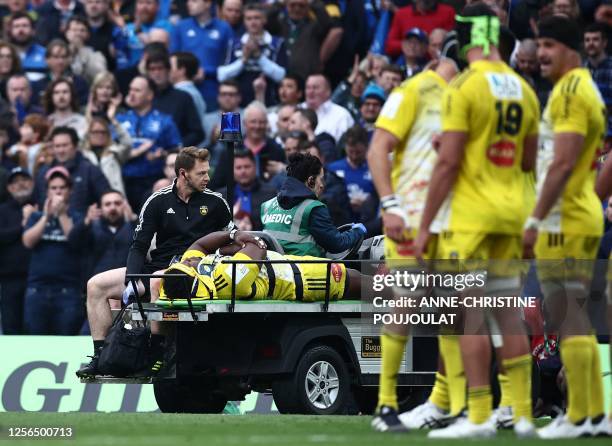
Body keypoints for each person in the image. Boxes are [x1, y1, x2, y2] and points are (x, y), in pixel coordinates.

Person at [414, 3, 540, 438]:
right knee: (506, 312)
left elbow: (448, 164)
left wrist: (427, 224)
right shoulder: (523, 88)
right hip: (512, 209)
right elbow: (527, 157)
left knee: (469, 313)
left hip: (472, 213)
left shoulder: (465, 85)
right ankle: (522, 413)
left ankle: (481, 415)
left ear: (466, 37)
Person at [76, 147, 239, 378]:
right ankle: (101, 356)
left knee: (158, 283)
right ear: (183, 174)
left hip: (193, 272)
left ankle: (157, 355)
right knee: (95, 285)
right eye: (201, 173)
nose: (207, 178)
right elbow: (139, 245)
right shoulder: (157, 201)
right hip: (157, 268)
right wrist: (132, 279)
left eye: (207, 172)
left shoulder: (216, 203)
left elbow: (233, 238)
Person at [523, 15, 607, 439]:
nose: (542, 53)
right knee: (572, 317)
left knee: (564, 314)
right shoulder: (572, 88)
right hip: (573, 214)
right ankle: (592, 413)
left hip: (565, 218)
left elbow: (563, 161)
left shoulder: (573, 90)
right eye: (540, 44)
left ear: (572, 49)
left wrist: (535, 218)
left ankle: (581, 414)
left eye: (550, 44)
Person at [368, 57, 459, 432]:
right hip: (409, 217)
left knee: (453, 312)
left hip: (452, 220)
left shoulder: (464, 96)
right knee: (406, 302)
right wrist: (389, 205)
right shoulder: (412, 90)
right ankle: (385, 403)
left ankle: (449, 403)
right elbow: (377, 149)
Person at [156, 230, 364, 303]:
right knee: (364, 283)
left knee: (358, 274)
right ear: (193, 275)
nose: (187, 260)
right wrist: (233, 244)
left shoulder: (197, 274)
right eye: (187, 265)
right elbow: (258, 245)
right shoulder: (227, 279)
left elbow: (199, 244)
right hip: (303, 279)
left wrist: (231, 236)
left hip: (289, 265)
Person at [261, 152, 365, 257]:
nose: (322, 185)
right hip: (304, 269)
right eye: (321, 179)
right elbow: (337, 244)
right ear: (311, 181)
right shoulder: (313, 208)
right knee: (357, 273)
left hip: (273, 269)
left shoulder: (267, 206)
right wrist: (357, 231)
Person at [22, 166, 85, 335]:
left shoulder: (77, 216)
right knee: (35, 340)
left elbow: (75, 242)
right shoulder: (36, 217)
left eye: (62, 188)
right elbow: (28, 242)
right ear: (47, 191)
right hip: (37, 289)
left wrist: (62, 214)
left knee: (66, 339)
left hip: (68, 290)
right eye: (53, 188)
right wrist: (46, 216)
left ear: (70, 191)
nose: (58, 192)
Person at [117, 75, 181, 211]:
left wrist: (162, 154)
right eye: (130, 90)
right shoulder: (119, 120)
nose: (131, 94)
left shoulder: (165, 121)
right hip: (124, 179)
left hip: (154, 179)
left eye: (137, 90)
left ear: (150, 95)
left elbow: (177, 149)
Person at [218, 3, 287, 106]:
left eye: (257, 18)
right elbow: (221, 76)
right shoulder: (234, 43)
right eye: (249, 19)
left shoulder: (277, 43)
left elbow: (281, 76)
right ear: (244, 21)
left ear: (264, 20)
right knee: (228, 121)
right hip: (234, 107)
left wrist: (259, 57)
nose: (253, 22)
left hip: (269, 106)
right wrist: (243, 60)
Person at [170, 0, 233, 110]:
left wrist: (207, 72)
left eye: (194, 1)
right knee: (189, 125)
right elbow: (173, 59)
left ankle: (230, 127)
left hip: (219, 90)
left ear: (208, 3)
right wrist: (190, 73)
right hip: (185, 89)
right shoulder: (180, 27)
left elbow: (231, 61)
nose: (188, 3)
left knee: (229, 124)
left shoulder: (224, 28)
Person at [209, 101, 284, 190]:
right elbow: (216, 184)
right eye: (253, 122)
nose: (257, 126)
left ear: (267, 124)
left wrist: (282, 170)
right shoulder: (231, 150)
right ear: (244, 123)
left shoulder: (276, 149)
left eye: (262, 122)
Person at [34, 126, 110, 214]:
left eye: (65, 145)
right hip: (49, 225)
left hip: (84, 224)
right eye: (57, 146)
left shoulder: (90, 170)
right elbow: (37, 202)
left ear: (75, 146)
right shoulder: (43, 173)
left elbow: (106, 198)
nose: (61, 150)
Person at [68, 189, 137, 279]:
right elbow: (73, 242)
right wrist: (86, 221)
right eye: (107, 204)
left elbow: (150, 240)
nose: (113, 208)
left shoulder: (133, 227)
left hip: (128, 285)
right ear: (100, 208)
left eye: (117, 203)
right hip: (97, 285)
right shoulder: (91, 228)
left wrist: (134, 218)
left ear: (125, 206)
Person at [266, 0, 339, 81]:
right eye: (292, 5)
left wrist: (312, 2)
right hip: (281, 77)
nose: (297, 9)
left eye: (301, 6)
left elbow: (327, 23)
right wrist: (280, 3)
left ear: (308, 7)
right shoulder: (279, 25)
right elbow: (267, 19)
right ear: (286, 6)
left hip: (306, 77)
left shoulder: (314, 27)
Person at [0, 167, 34, 334]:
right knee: (11, 326)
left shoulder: (43, 206)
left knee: (36, 328)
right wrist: (23, 224)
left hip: (37, 281)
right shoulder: (3, 210)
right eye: (15, 181)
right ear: (9, 188)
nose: (20, 184)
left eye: (24, 179)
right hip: (9, 279)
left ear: (32, 183)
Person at [146, 51, 204, 147]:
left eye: (160, 68)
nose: (156, 73)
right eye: (152, 69)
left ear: (168, 70)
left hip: (173, 156)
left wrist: (177, 147)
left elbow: (197, 133)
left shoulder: (183, 97)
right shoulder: (143, 97)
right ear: (148, 72)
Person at [216, 150, 277, 231]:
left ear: (255, 167)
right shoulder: (221, 195)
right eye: (238, 168)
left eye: (247, 166)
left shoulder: (270, 194)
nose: (243, 171)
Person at [327, 125, 376, 220]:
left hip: (370, 219)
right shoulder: (333, 169)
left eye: (358, 152)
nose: (354, 156)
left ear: (367, 147)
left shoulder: (375, 167)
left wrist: (368, 203)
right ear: (345, 147)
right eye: (351, 152)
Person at [81, 115, 132, 197]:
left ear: (108, 134)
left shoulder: (115, 152)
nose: (100, 135)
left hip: (114, 199)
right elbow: (76, 143)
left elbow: (128, 143)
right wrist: (87, 126)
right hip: (91, 199)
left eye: (103, 132)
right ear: (89, 134)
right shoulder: (83, 154)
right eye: (95, 132)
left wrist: (114, 122)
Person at [385, 0, 455, 59]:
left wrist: (428, 45)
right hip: (408, 62)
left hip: (437, 61)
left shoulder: (448, 12)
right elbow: (390, 46)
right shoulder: (401, 14)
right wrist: (412, 44)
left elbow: (452, 43)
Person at [31, 39, 90, 107]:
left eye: (64, 57)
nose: (60, 61)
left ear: (69, 59)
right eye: (56, 57)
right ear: (46, 60)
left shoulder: (79, 83)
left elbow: (83, 106)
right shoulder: (38, 86)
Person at [583, 22, 611, 150]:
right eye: (587, 40)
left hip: (608, 138)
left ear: (604, 43)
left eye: (595, 39)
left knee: (602, 166)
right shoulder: (580, 70)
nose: (591, 43)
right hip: (585, 136)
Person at [303, 73, 354, 143]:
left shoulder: (341, 115)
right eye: (308, 88)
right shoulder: (296, 110)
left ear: (328, 91)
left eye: (315, 88)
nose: (310, 91)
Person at [122, 0, 172, 69]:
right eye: (140, 3)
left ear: (157, 6)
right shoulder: (128, 28)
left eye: (148, 3)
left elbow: (156, 50)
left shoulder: (164, 26)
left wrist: (138, 31)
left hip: (154, 70)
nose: (144, 7)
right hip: (130, 70)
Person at [170, 51, 207, 143]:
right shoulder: (191, 92)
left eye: (170, 66)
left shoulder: (187, 94)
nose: (167, 70)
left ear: (182, 70)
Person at [84, 0, 128, 71]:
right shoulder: (79, 29)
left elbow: (122, 61)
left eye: (98, 2)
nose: (93, 6)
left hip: (108, 75)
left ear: (106, 5)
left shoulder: (115, 31)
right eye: (89, 2)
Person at [64, 16, 108, 84]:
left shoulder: (96, 55)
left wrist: (81, 50)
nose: (78, 34)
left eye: (82, 30)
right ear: (67, 33)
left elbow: (101, 78)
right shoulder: (59, 53)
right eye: (74, 30)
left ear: (88, 34)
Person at [7, 12, 47, 82]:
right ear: (10, 31)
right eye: (16, 26)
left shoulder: (45, 54)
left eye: (25, 26)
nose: (21, 30)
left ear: (33, 30)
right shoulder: (3, 54)